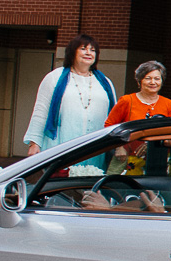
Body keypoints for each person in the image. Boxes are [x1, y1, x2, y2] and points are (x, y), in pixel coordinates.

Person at [24, 33, 118, 172]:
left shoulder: (104, 82)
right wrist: (34, 143)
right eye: (83, 49)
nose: (88, 53)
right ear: (72, 52)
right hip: (62, 143)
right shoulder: (55, 77)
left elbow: (115, 116)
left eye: (92, 50)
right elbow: (41, 110)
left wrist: (118, 146)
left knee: (90, 182)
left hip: (95, 147)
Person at [105, 60, 171, 175]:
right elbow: (109, 126)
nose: (153, 82)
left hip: (158, 160)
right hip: (127, 159)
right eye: (148, 78)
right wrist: (119, 147)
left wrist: (151, 143)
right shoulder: (127, 101)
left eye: (157, 78)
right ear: (139, 80)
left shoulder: (168, 104)